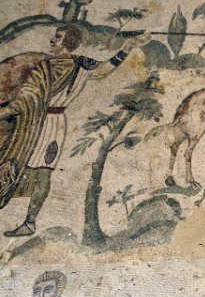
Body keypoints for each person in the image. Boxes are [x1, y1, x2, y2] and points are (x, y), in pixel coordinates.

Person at [0, 25, 149, 237]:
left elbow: (21, 103)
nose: (52, 41)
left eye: (58, 38)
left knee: (41, 172)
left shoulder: (65, 66)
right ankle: (26, 220)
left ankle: (29, 223)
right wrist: (125, 48)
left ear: (68, 42)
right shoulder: (63, 65)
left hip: (47, 125)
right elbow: (103, 69)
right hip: (43, 122)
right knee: (28, 169)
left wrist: (126, 48)